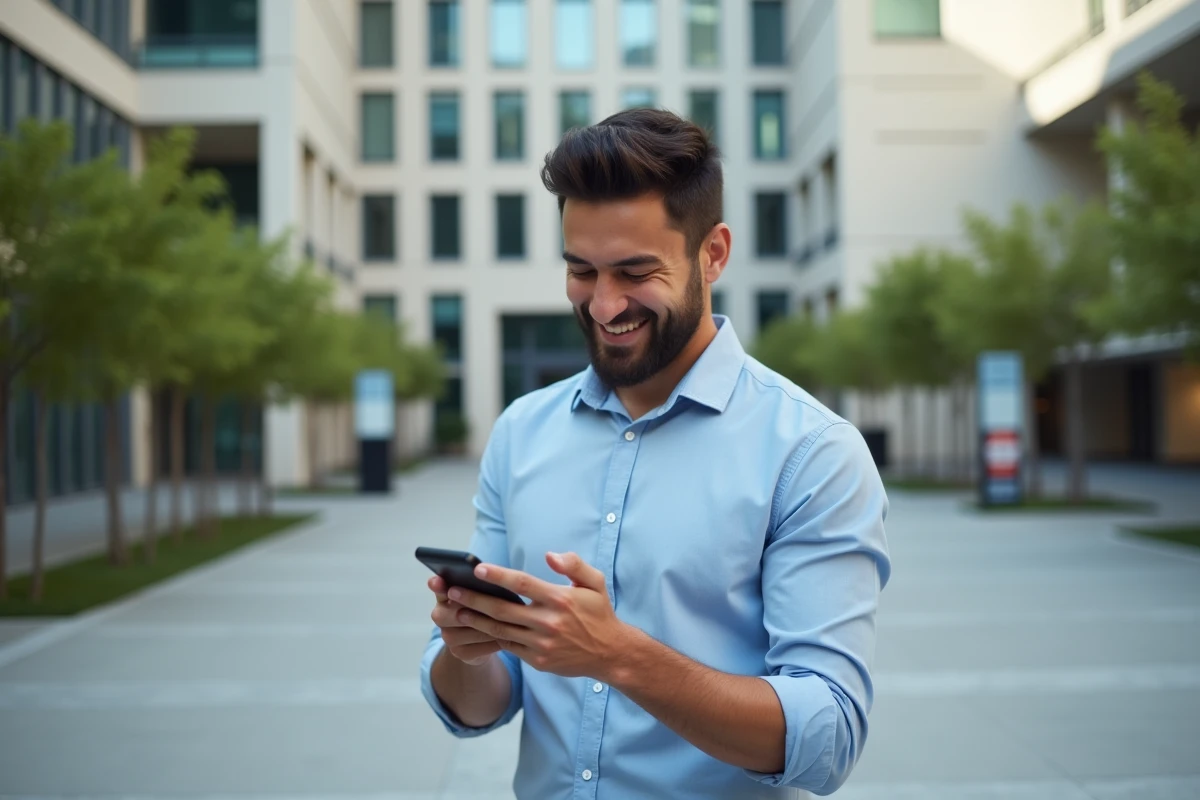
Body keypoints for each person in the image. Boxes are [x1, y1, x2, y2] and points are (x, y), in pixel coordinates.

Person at [419, 108, 891, 799]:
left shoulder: (812, 454)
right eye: (581, 271)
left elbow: (827, 740)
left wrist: (618, 657)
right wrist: (469, 649)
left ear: (714, 254)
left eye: (635, 272)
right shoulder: (521, 432)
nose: (605, 306)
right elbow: (480, 705)